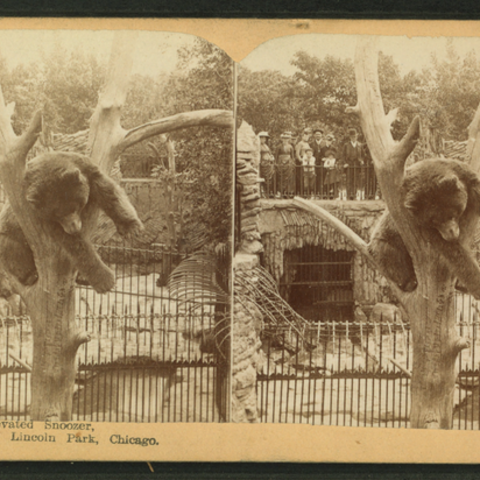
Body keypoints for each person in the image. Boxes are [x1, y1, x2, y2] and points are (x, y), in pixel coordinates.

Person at [340, 128, 364, 200]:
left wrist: (361, 161)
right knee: (349, 180)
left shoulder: (360, 145)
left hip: (357, 165)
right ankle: (348, 195)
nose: (354, 138)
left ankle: (354, 194)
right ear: (350, 137)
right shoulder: (346, 145)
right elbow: (343, 155)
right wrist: (345, 163)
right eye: (352, 136)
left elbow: (363, 155)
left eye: (355, 136)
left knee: (356, 180)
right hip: (349, 164)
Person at [275, 133, 296, 197]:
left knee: (288, 178)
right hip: (281, 163)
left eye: (287, 139)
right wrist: (276, 163)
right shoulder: (278, 147)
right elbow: (276, 156)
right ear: (282, 139)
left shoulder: (290, 147)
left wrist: (292, 163)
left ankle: (287, 192)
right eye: (284, 139)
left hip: (288, 163)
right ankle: (280, 192)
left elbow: (292, 156)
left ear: (289, 140)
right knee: (281, 177)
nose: (285, 140)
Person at [295, 128, 312, 195]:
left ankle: (306, 192)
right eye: (305, 136)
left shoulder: (307, 144)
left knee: (307, 176)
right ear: (302, 136)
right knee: (301, 176)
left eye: (308, 136)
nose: (306, 137)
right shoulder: (300, 143)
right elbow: (297, 153)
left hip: (307, 160)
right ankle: (300, 192)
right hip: (301, 160)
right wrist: (300, 160)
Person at [258, 131, 275, 197]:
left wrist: (271, 157)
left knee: (270, 178)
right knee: (264, 177)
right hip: (263, 163)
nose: (263, 139)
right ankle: (264, 192)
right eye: (262, 138)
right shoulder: (258, 145)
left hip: (268, 163)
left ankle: (268, 192)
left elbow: (269, 153)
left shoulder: (265, 145)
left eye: (264, 138)